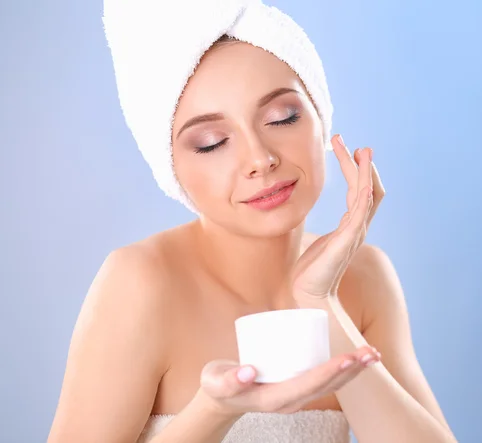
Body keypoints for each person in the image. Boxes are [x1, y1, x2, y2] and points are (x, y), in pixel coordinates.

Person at [48, 1, 457, 442]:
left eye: (282, 117)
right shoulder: (142, 283)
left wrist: (320, 300)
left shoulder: (365, 278)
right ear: (171, 170)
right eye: (211, 143)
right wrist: (214, 410)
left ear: (321, 118)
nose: (261, 159)